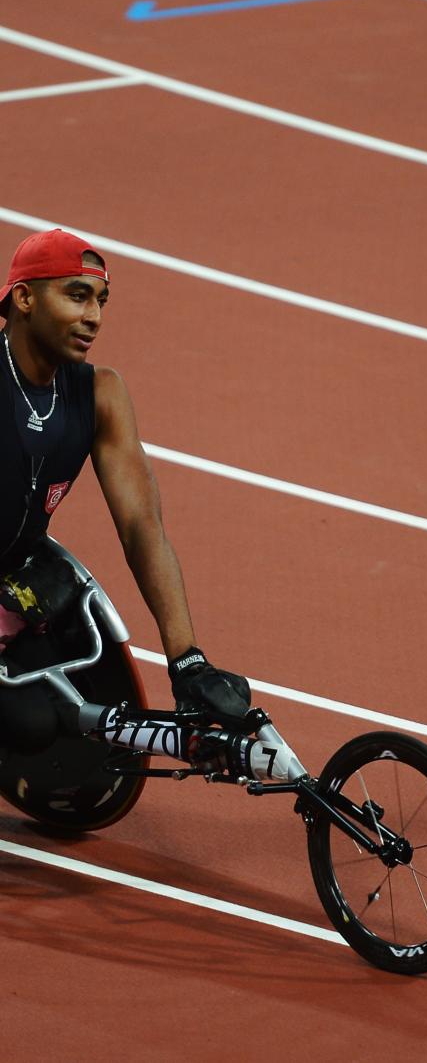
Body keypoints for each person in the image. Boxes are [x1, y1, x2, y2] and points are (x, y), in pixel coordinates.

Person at [0, 228, 254, 755]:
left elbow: (143, 527)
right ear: (25, 297)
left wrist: (186, 660)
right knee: (29, 723)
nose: (94, 316)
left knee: (65, 710)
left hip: (16, 581)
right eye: (76, 295)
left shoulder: (102, 396)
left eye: (101, 300)